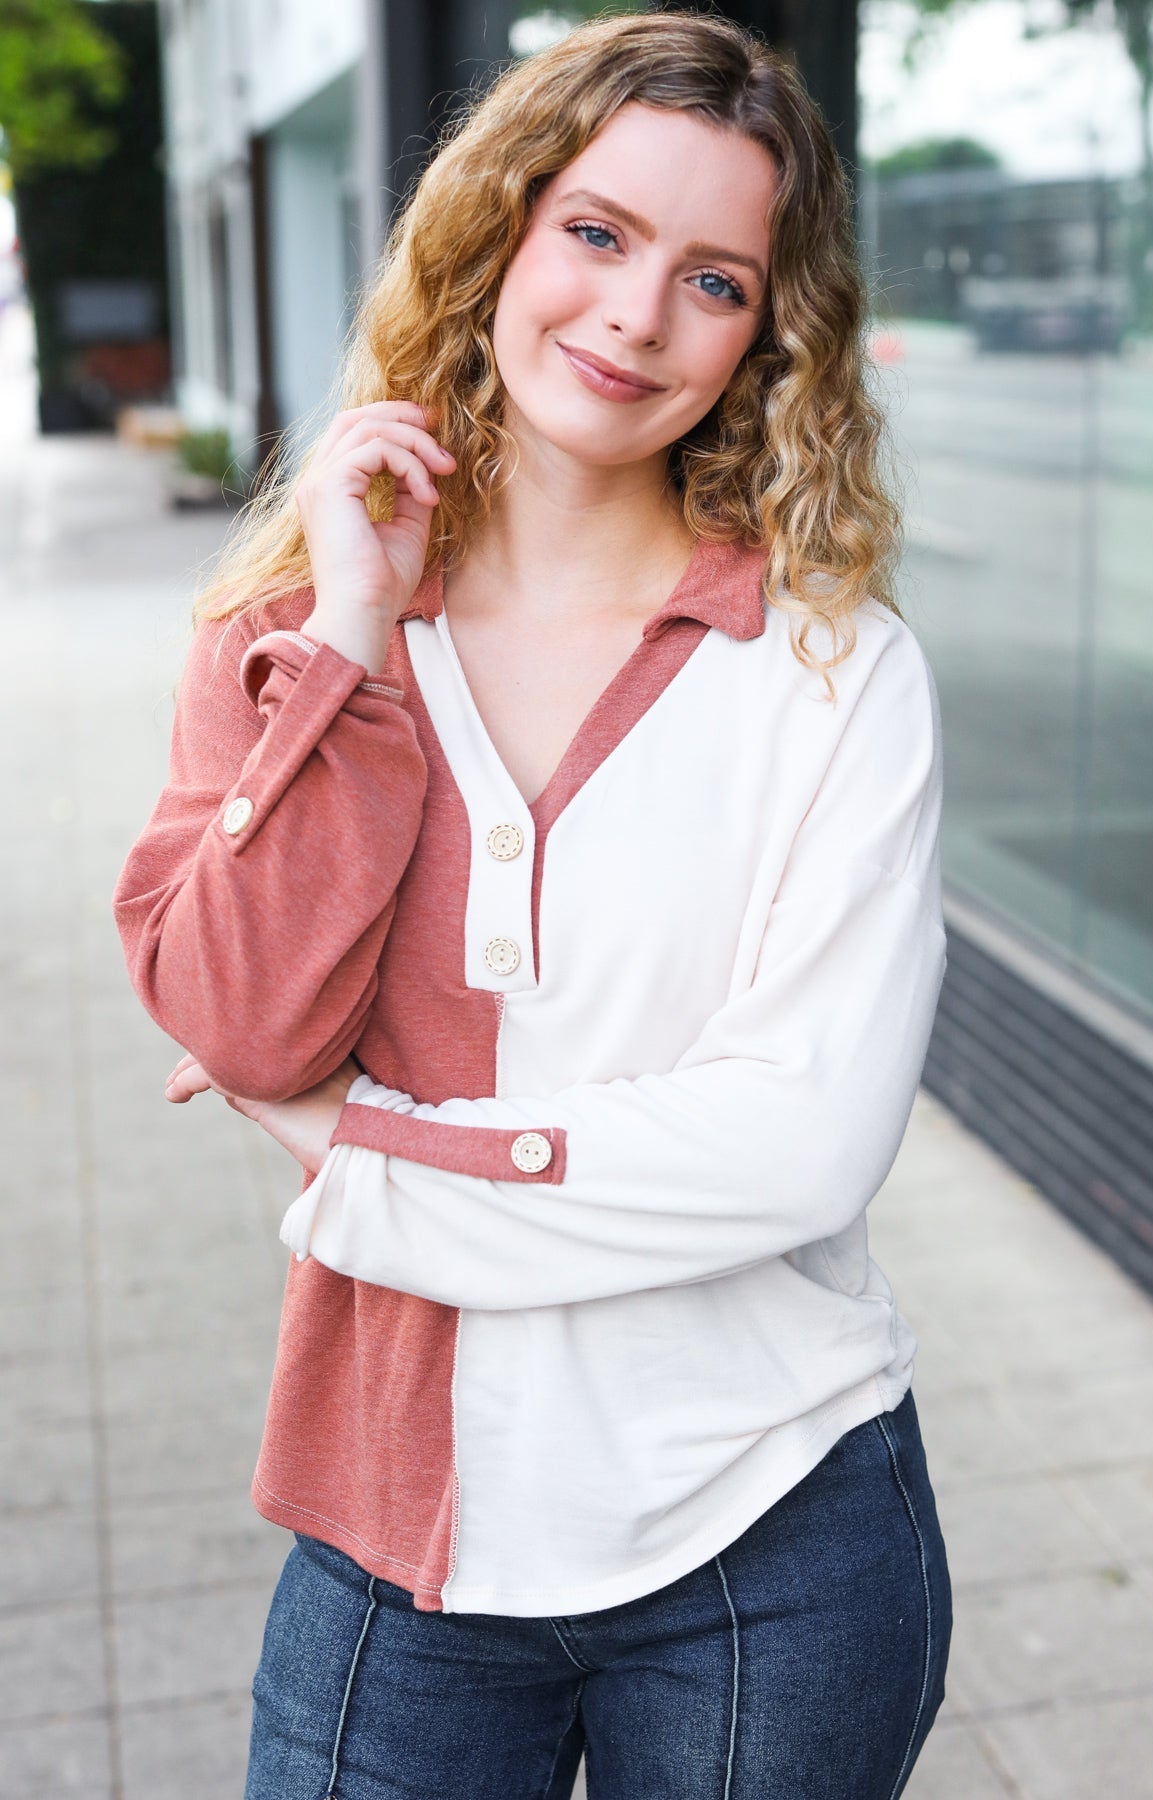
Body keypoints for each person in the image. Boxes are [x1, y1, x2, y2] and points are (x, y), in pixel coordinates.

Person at [114, 12, 952, 1797]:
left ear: (766, 333)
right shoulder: (283, 638)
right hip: (394, 1532)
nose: (637, 319)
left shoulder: (831, 671)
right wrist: (350, 640)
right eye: (597, 233)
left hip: (773, 1526)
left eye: (714, 278)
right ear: (498, 227)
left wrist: (359, 1146)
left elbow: (798, 1151)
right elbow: (238, 1018)